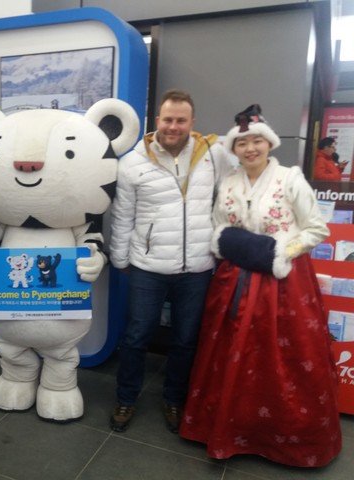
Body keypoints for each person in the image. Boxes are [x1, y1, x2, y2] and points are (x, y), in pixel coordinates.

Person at [180, 105, 342, 467]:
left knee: (282, 358)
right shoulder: (229, 182)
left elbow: (316, 228)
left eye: (257, 141)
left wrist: (280, 254)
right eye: (242, 143)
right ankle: (229, 428)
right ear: (234, 149)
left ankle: (281, 438)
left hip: (283, 284)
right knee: (228, 353)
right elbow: (218, 224)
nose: (250, 148)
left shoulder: (290, 179)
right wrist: (234, 245)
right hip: (234, 281)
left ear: (269, 143)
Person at [108, 89, 233, 433]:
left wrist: (221, 249)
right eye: (167, 119)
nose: (173, 126)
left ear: (192, 122)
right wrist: (120, 257)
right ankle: (126, 398)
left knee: (186, 339)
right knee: (136, 336)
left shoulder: (213, 154)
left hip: (198, 267)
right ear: (156, 121)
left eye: (181, 120)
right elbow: (123, 214)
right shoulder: (133, 162)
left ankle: (175, 399)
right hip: (147, 267)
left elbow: (227, 200)